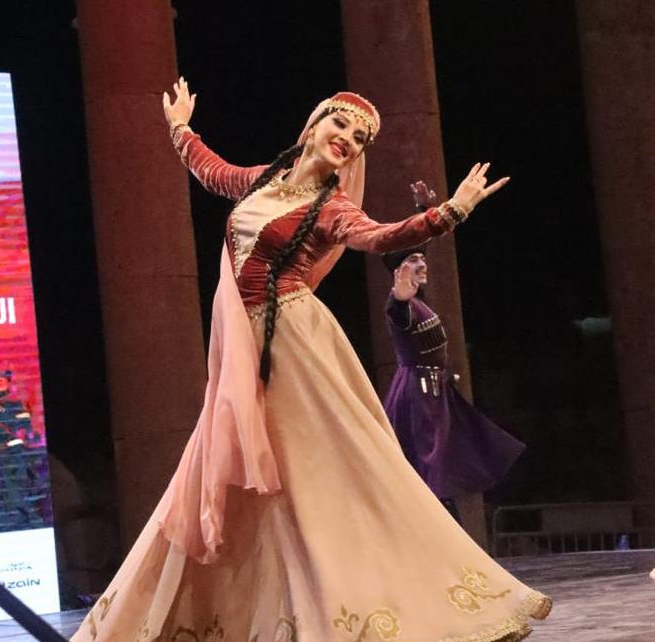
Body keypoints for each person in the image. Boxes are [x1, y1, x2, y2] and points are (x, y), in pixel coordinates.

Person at [71, 78, 551, 642]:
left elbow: (380, 237)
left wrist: (451, 212)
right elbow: (212, 172)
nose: (347, 138)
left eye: (360, 137)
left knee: (312, 475)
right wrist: (179, 126)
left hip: (294, 343)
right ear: (315, 124)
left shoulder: (333, 207)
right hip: (245, 347)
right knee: (243, 478)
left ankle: (363, 609)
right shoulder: (263, 180)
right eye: (340, 123)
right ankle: (245, 615)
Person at [382, 236, 526, 522]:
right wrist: (399, 300)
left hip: (435, 392)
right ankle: (438, 524)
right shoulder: (402, 304)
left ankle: (444, 522)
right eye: (413, 260)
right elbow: (398, 316)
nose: (422, 264)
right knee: (428, 460)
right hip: (419, 394)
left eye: (422, 258)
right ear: (399, 271)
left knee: (447, 457)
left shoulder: (418, 303)